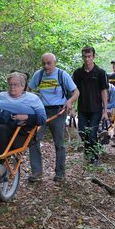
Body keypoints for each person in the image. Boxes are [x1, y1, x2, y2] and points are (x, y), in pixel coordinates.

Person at [27, 53, 79, 183]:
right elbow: (28, 90)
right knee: (33, 140)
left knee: (59, 143)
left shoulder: (62, 75)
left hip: (58, 112)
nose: (46, 66)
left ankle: (60, 173)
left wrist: (69, 102)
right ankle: (37, 172)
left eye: (49, 63)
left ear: (55, 63)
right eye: (43, 63)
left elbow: (76, 92)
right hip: (40, 111)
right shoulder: (38, 75)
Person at [72, 46, 108, 164]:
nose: (87, 59)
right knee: (82, 133)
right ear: (82, 57)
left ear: (93, 57)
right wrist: (72, 107)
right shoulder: (77, 73)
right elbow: (73, 91)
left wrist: (105, 111)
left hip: (96, 109)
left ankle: (94, 157)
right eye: (85, 57)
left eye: (89, 57)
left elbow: (104, 91)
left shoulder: (101, 73)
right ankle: (88, 152)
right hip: (82, 108)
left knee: (92, 134)